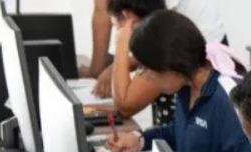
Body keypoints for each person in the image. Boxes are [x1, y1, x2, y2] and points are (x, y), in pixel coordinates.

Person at [105, 10, 251, 152]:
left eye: (146, 69)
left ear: (171, 70)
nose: (144, 76)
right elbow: (181, 131)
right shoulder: (186, 86)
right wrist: (139, 139)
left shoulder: (227, 100)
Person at [82, 0, 233, 125]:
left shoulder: (173, 22)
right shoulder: (158, 23)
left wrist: (121, 39)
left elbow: (125, 105)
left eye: (118, 26)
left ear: (126, 16)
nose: (147, 74)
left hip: (193, 141)